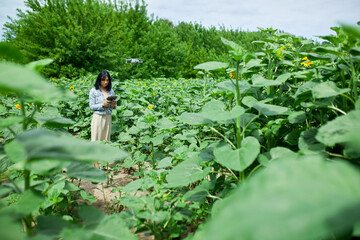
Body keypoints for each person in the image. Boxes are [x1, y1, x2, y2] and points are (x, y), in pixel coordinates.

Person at [89, 70, 117, 168]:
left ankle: (105, 162)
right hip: (98, 117)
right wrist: (102, 104)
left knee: (106, 139)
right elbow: (91, 106)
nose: (105, 82)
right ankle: (95, 163)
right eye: (103, 80)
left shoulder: (110, 91)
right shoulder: (94, 91)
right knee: (96, 139)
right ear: (99, 80)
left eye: (107, 80)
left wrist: (113, 105)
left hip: (108, 116)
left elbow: (113, 108)